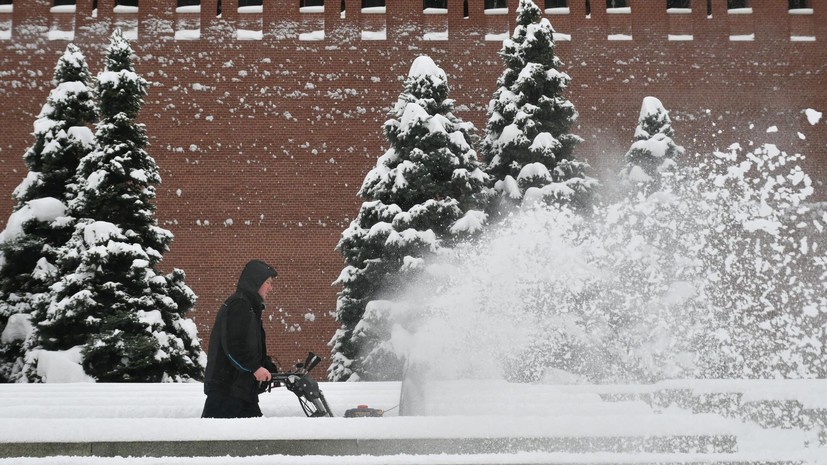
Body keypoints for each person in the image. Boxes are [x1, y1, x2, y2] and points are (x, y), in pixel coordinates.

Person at [202, 259, 280, 418]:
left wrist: (266, 367)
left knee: (255, 432)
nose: (270, 288)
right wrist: (255, 368)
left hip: (240, 390)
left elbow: (249, 346)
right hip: (227, 391)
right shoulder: (239, 305)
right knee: (218, 433)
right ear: (256, 282)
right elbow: (233, 346)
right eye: (268, 283)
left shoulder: (249, 307)